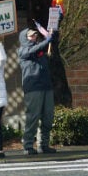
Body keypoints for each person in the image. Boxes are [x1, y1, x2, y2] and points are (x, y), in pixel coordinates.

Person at [18, 27, 57, 155]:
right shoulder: (23, 51)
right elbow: (34, 49)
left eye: (35, 35)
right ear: (24, 38)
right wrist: (46, 41)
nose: (34, 37)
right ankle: (28, 145)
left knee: (48, 117)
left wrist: (53, 35)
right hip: (33, 88)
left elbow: (44, 47)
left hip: (46, 87)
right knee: (33, 117)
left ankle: (43, 144)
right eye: (31, 36)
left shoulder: (41, 51)